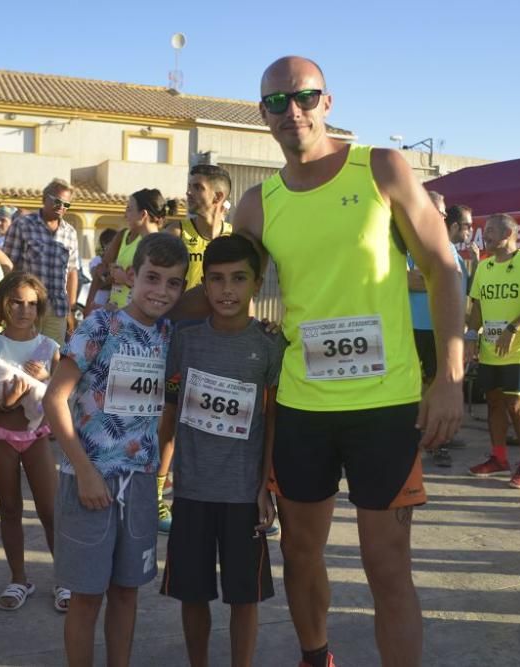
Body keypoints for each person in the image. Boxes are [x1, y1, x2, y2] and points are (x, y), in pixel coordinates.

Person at [232, 56, 465, 667]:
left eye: (304, 97)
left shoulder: (381, 167)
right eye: (277, 103)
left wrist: (450, 376)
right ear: (264, 115)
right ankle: (317, 658)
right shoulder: (257, 204)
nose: (293, 111)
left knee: (386, 566)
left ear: (327, 102)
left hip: (385, 406)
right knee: (300, 555)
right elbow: (224, 293)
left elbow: (443, 267)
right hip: (303, 404)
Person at [43, 233, 189, 667]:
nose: (161, 291)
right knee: (86, 598)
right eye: (152, 278)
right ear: (131, 275)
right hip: (87, 481)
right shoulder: (100, 326)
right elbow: (55, 400)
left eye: (173, 283)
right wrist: (85, 471)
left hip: (140, 482)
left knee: (127, 593)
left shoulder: (168, 335)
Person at [158, 235, 284, 667]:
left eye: (238, 278)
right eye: (216, 279)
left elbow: (271, 424)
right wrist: (160, 480)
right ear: (204, 285)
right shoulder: (185, 342)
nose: (227, 289)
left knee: (244, 598)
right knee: (192, 594)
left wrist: (265, 487)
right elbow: (169, 413)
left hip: (243, 496)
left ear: (257, 283)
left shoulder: (270, 348)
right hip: (191, 493)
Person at [0, 272, 64, 611]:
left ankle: (64, 580)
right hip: (0, 437)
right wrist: (6, 403)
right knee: (9, 509)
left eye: (32, 304)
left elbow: (63, 397)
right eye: (16, 302)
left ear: (39, 308)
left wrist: (46, 380)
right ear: (2, 304)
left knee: (50, 510)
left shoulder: (49, 348)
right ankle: (18, 578)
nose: (24, 310)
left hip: (37, 437)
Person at [157, 165, 233, 526]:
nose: (188, 192)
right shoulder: (177, 232)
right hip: (181, 337)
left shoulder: (236, 235)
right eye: (188, 186)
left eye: (196, 187)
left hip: (221, 339)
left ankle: (218, 494)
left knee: (219, 417)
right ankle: (156, 496)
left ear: (217, 197)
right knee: (170, 418)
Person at [466, 214, 520, 488]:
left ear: (509, 233)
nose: (485, 236)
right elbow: (476, 307)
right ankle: (498, 458)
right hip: (490, 348)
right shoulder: (484, 267)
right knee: (493, 402)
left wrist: (511, 329)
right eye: (484, 231)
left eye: (491, 231)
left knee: (516, 404)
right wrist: (469, 335)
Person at [409, 191, 468, 468]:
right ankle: (414, 437)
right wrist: (434, 278)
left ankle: (437, 442)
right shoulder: (404, 244)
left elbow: (453, 282)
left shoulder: (447, 248)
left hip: (439, 331)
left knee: (439, 385)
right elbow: (404, 280)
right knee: (413, 387)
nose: (440, 217)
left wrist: (429, 278)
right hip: (409, 328)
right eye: (436, 211)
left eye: (443, 213)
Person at [3, 178, 80, 344]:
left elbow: (72, 271)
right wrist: (10, 301)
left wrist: (70, 308)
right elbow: (8, 265)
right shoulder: (23, 225)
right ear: (44, 199)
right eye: (58, 201)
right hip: (28, 306)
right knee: (24, 354)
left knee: (50, 357)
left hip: (57, 309)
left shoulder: (70, 232)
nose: (62, 207)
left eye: (67, 204)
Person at [103, 189, 178, 309]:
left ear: (143, 214)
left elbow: (160, 288)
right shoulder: (139, 242)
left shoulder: (159, 247)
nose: (125, 214)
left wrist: (126, 279)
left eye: (129, 209)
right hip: (120, 314)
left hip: (139, 319)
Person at [82, 227, 118, 315]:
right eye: (114, 243)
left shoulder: (119, 261)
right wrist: (116, 280)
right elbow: (97, 282)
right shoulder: (97, 261)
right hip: (98, 305)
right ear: (105, 244)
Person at [448, 204, 480, 280]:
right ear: (455, 226)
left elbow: (468, 289)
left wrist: (475, 262)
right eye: (468, 226)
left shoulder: (459, 259)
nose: (471, 229)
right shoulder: (438, 251)